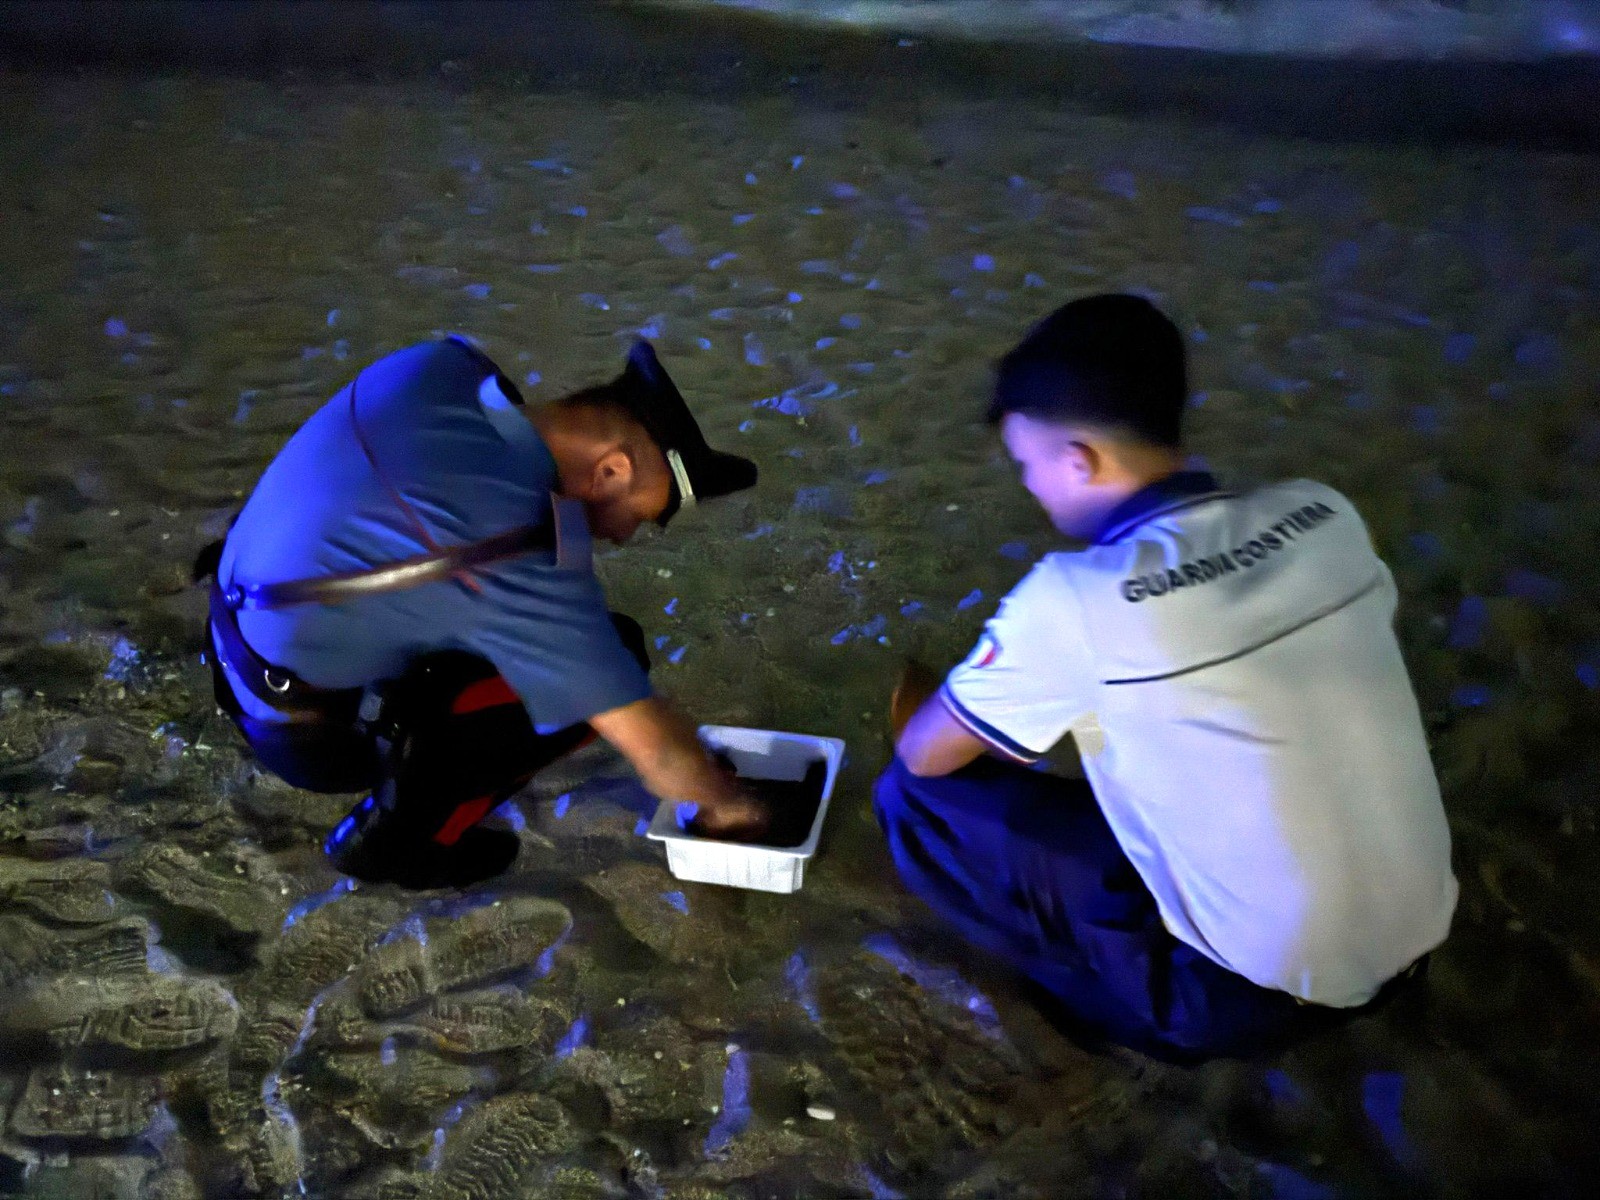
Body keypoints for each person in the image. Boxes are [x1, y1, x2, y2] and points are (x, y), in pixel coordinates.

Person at [876, 294, 1458, 1060]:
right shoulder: (1324, 515)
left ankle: (1107, 1003)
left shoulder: (1078, 598)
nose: (1032, 488)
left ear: (1078, 460)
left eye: (1028, 466)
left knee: (913, 796)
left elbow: (927, 751)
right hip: (1419, 940)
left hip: (1242, 996)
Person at [197, 335, 768, 889]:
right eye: (646, 517)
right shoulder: (504, 549)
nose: (623, 537)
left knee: (520, 635)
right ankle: (404, 843)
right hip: (300, 732)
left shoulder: (447, 366)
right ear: (612, 470)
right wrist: (728, 806)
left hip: (235, 627)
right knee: (612, 658)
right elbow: (659, 750)